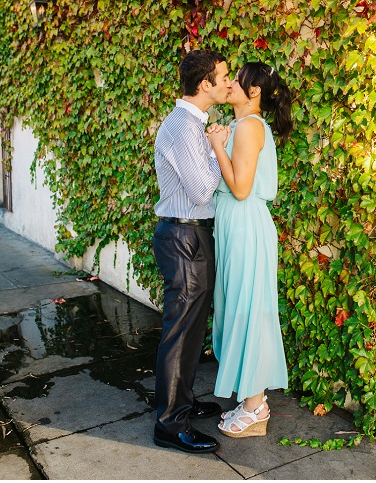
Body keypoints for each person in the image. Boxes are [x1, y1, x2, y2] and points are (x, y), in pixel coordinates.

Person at [206, 62, 293, 437]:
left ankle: (257, 407)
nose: (230, 84)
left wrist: (215, 146)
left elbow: (241, 188)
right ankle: (250, 400)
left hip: (245, 224)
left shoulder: (250, 127)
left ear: (253, 91)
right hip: (237, 225)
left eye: (236, 80)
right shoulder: (245, 126)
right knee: (239, 306)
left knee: (248, 309)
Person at [152, 49, 231, 454]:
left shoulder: (190, 123)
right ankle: (170, 423)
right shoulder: (184, 127)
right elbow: (201, 190)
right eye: (223, 76)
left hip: (191, 235)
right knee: (181, 332)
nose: (228, 81)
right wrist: (219, 147)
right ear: (206, 84)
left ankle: (179, 402)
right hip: (184, 236)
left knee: (190, 328)